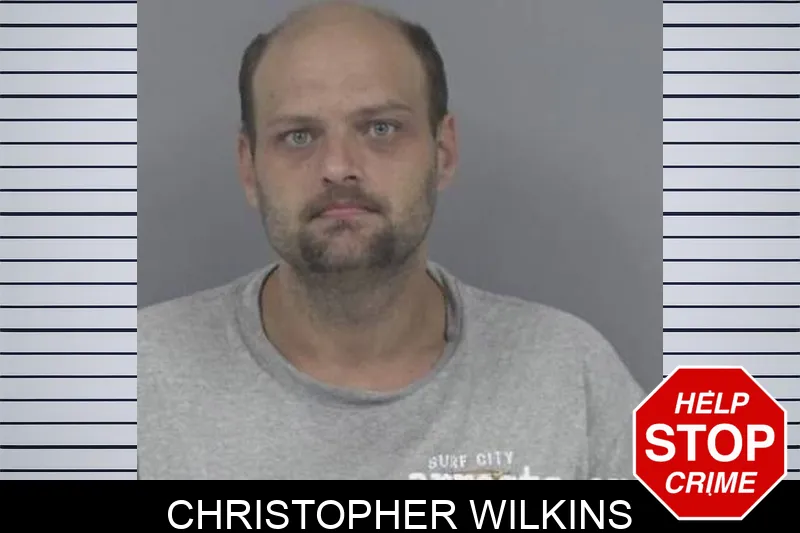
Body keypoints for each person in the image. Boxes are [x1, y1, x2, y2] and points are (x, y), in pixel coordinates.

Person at [138, 0, 644, 480]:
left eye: (381, 128)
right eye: (298, 136)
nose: (338, 167)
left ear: (443, 153)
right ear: (249, 169)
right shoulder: (134, 381)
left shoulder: (569, 370)